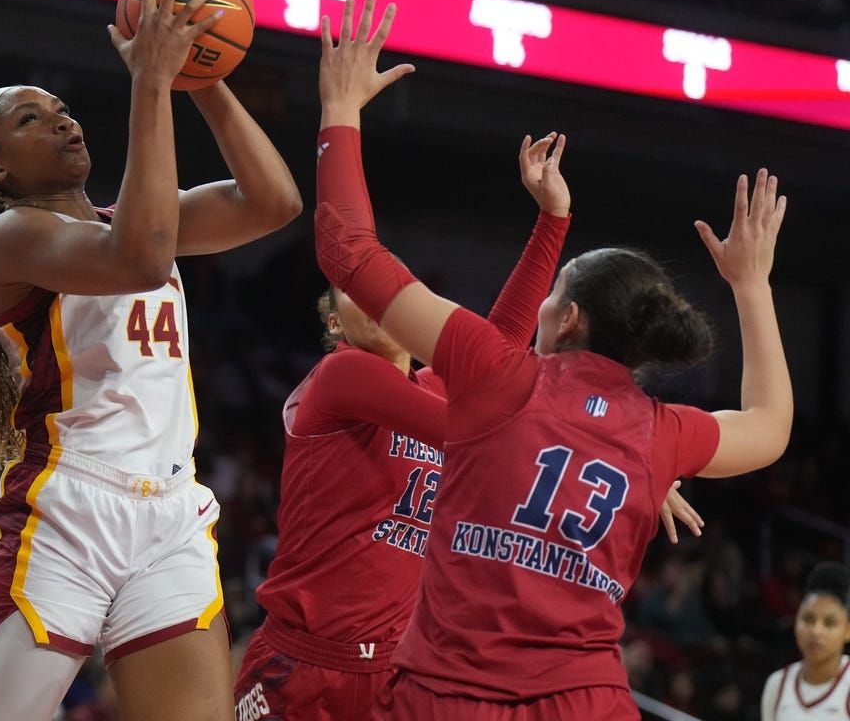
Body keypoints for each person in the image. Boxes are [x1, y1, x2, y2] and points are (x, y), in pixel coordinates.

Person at [313, 0, 791, 720]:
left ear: (566, 318)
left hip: (451, 696)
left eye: (553, 295)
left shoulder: (497, 371)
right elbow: (770, 424)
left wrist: (339, 109)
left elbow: (346, 250)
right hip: (586, 703)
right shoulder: (659, 433)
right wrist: (752, 286)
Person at [0, 0, 301, 721]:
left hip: (171, 510)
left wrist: (202, 78)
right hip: (68, 509)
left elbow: (273, 202)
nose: (63, 121)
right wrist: (151, 82)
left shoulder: (133, 220)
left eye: (64, 110)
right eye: (31, 119)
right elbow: (141, 259)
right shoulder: (11, 237)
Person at [235, 137, 702, 720]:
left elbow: (504, 341)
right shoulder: (341, 376)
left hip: (395, 672)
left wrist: (552, 218)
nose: (373, 298)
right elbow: (509, 422)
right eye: (351, 293)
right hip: (305, 663)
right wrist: (609, 451)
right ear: (335, 324)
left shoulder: (440, 389)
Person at [761, 562, 850, 720]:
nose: (816, 631)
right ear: (796, 622)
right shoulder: (777, 684)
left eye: (829, 623)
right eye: (808, 619)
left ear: (848, 631)